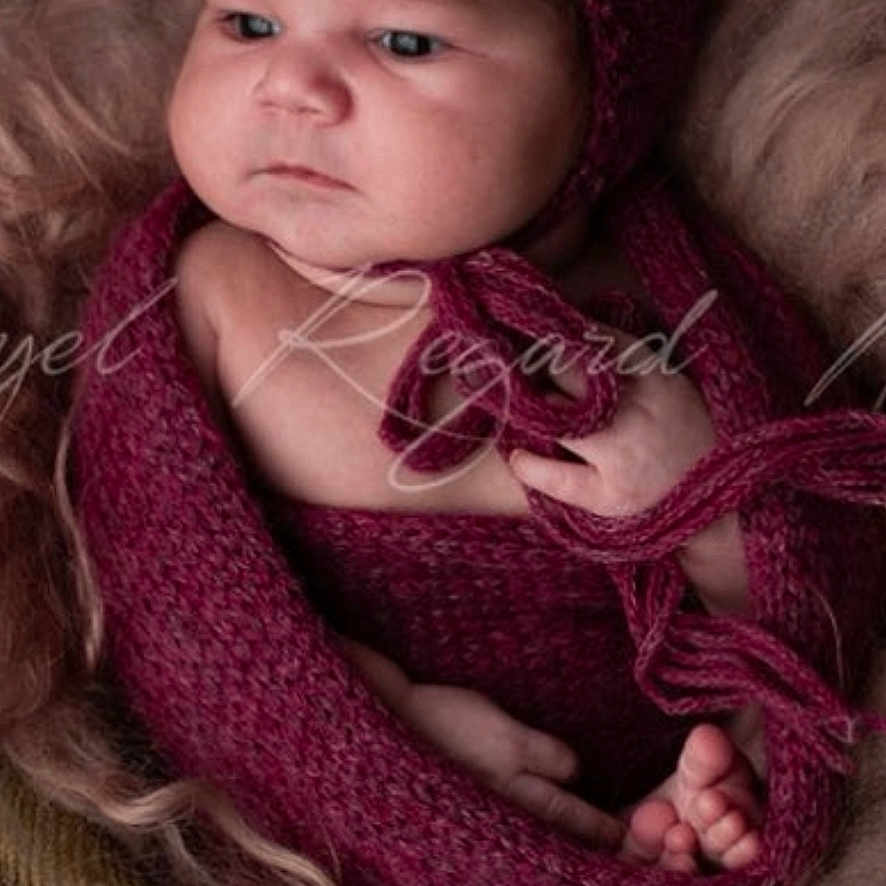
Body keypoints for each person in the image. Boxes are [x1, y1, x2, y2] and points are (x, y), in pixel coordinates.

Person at [2, 1, 885, 886]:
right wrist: (384, 719)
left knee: (763, 749)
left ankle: (671, 826)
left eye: (406, 42)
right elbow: (171, 596)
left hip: (653, 759)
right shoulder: (199, 291)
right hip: (335, 797)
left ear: (597, 108)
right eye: (248, 23)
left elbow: (814, 579)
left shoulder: (670, 303)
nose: (291, 86)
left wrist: (705, 500)